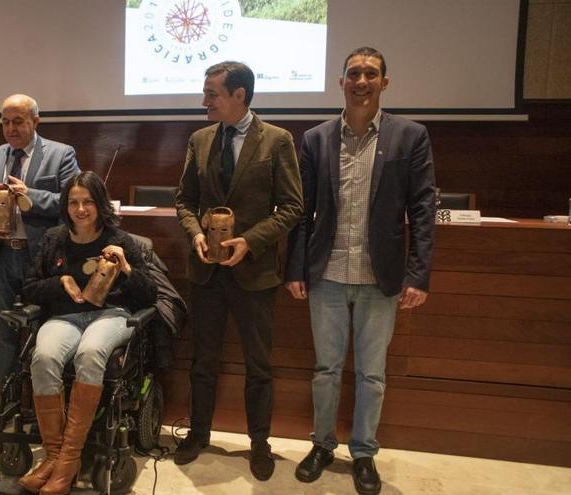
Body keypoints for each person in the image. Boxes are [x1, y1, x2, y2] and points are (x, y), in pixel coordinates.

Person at [285, 47, 436, 495]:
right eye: (354, 73)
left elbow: (423, 210)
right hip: (327, 273)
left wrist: (418, 274)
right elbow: (301, 210)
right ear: (342, 82)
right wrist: (295, 267)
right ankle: (322, 445)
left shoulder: (410, 136)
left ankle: (364, 453)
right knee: (326, 369)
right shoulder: (316, 139)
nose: (362, 80)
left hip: (381, 277)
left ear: (384, 83)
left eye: (371, 73)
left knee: (372, 373)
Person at [174, 61, 304, 480]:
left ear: (239, 96)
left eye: (212, 93)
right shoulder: (199, 139)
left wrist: (250, 241)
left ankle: (260, 444)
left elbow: (292, 207)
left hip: (255, 273)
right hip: (206, 272)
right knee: (203, 361)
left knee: (259, 365)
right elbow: (183, 201)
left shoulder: (277, 141)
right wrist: (195, 232)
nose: (204, 101)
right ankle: (198, 434)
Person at [20, 171, 157, 495]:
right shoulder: (54, 239)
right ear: (66, 206)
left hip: (110, 315)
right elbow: (28, 288)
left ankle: (68, 461)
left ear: (100, 205)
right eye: (74, 202)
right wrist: (60, 283)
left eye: (88, 202)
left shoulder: (121, 240)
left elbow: (149, 294)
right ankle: (55, 456)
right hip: (65, 317)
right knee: (44, 357)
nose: (80, 209)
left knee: (90, 352)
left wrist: (125, 267)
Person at [0, 94, 80, 434]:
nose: (11, 128)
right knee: (4, 338)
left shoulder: (61, 154)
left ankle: (43, 415)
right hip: (1, 260)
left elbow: (73, 201)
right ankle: (7, 407)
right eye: (5, 121)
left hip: (42, 265)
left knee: (44, 340)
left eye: (18, 121)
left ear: (35, 121)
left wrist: (30, 195)